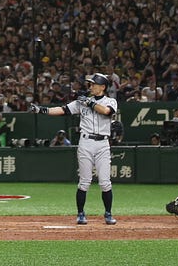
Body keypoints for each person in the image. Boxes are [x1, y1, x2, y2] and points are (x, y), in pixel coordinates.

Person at [32, 73, 118, 225]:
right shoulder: (82, 102)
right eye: (90, 84)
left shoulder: (110, 101)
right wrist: (41, 110)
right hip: (86, 143)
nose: (90, 86)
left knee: (105, 182)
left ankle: (108, 214)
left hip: (103, 144)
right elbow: (63, 110)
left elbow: (106, 111)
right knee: (84, 181)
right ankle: (80, 213)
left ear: (103, 87)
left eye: (93, 84)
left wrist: (88, 102)